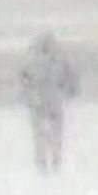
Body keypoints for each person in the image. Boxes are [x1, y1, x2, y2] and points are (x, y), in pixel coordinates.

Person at [20, 32, 78, 174]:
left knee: (40, 134)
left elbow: (25, 81)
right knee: (55, 133)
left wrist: (27, 97)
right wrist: (69, 91)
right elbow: (68, 79)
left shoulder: (30, 62)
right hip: (53, 102)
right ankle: (55, 160)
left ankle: (42, 162)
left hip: (38, 102)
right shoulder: (60, 61)